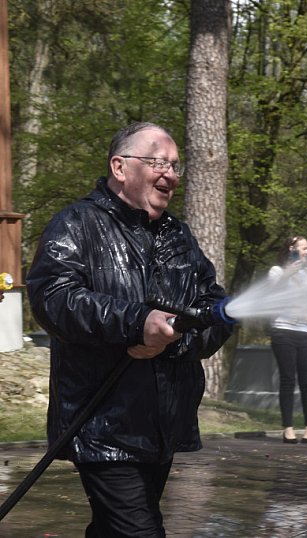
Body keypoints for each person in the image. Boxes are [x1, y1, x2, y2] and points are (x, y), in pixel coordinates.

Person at [26, 122, 235, 536]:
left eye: (176, 166)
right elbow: (53, 299)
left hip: (162, 424)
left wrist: (175, 340)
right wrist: (135, 324)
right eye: (159, 162)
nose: (171, 175)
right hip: (103, 423)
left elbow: (207, 309)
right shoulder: (76, 224)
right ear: (120, 167)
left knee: (113, 529)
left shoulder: (179, 236)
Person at [268, 235, 307, 444]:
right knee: (287, 380)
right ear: (292, 249)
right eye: (304, 248)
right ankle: (288, 428)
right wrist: (291, 270)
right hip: (283, 331)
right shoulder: (277, 272)